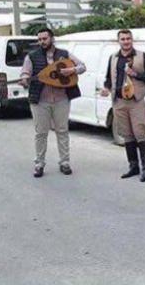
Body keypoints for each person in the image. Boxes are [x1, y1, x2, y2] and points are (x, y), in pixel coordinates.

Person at [20, 28, 86, 178]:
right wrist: (24, 79)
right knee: (41, 133)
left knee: (62, 131)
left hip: (61, 99)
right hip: (40, 101)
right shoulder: (32, 56)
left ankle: (64, 163)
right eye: (40, 39)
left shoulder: (64, 54)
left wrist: (72, 70)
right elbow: (25, 72)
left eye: (45, 38)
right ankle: (39, 164)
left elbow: (82, 66)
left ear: (52, 39)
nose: (42, 42)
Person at [100, 29, 145, 182]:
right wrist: (106, 88)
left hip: (136, 101)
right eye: (123, 39)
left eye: (128, 39)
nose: (126, 41)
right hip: (118, 101)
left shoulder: (142, 56)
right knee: (126, 134)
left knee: (140, 132)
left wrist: (135, 74)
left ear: (132, 40)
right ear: (118, 41)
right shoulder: (113, 58)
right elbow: (108, 78)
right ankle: (133, 166)